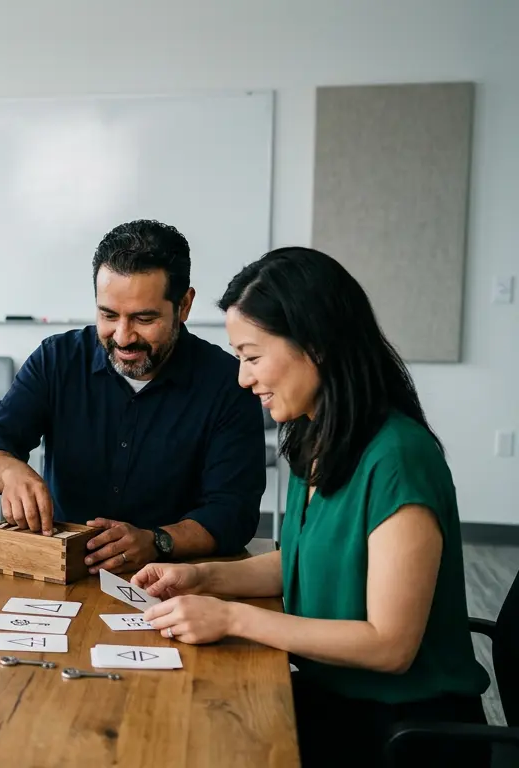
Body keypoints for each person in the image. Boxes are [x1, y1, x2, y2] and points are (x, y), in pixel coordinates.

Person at [133, 247, 490, 767]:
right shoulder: (314, 436)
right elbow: (304, 561)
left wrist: (231, 618)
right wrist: (201, 578)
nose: (242, 378)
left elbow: (390, 646)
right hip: (342, 700)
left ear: (316, 346)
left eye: (252, 357)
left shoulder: (398, 459)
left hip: (407, 733)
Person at [0, 219, 265, 574]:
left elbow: (233, 513)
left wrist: (157, 541)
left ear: (184, 305)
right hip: (62, 571)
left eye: (144, 318)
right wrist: (11, 472)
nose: (123, 337)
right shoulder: (57, 359)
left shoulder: (228, 383)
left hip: (176, 578)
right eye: (108, 315)